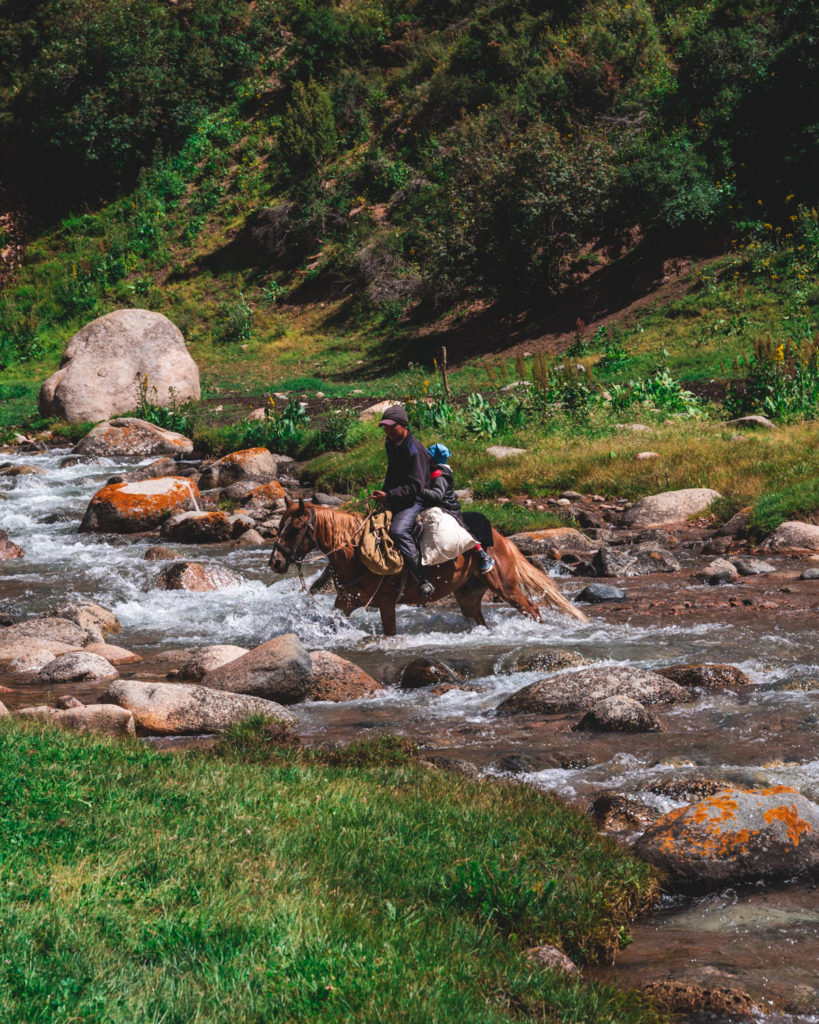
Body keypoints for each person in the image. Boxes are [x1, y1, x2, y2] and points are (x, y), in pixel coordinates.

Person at [370, 404, 435, 598]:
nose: (388, 430)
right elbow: (392, 473)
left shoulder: (415, 450)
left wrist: (389, 496)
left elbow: (416, 486)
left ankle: (422, 579)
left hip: (416, 500)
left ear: (403, 425)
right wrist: (382, 494)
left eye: (392, 427)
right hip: (397, 497)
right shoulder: (391, 443)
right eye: (385, 427)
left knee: (398, 530)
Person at [422, 443, 495, 573]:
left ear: (433, 459)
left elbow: (438, 495)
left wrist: (420, 491)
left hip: (447, 507)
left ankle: (482, 555)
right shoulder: (437, 471)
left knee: (463, 529)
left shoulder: (440, 475)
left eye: (428, 456)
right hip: (442, 505)